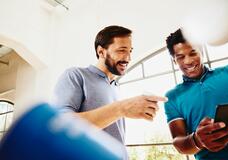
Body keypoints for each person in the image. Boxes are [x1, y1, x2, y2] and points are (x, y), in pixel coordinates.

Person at [53, 25, 167, 159]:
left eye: (130, 51)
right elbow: (61, 126)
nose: (128, 58)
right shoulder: (76, 75)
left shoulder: (115, 86)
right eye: (121, 50)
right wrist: (122, 108)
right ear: (101, 52)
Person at [164, 28, 228, 160]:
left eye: (193, 53)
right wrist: (197, 140)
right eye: (180, 57)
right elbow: (178, 142)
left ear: (202, 51)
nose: (188, 61)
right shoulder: (172, 97)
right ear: (174, 61)